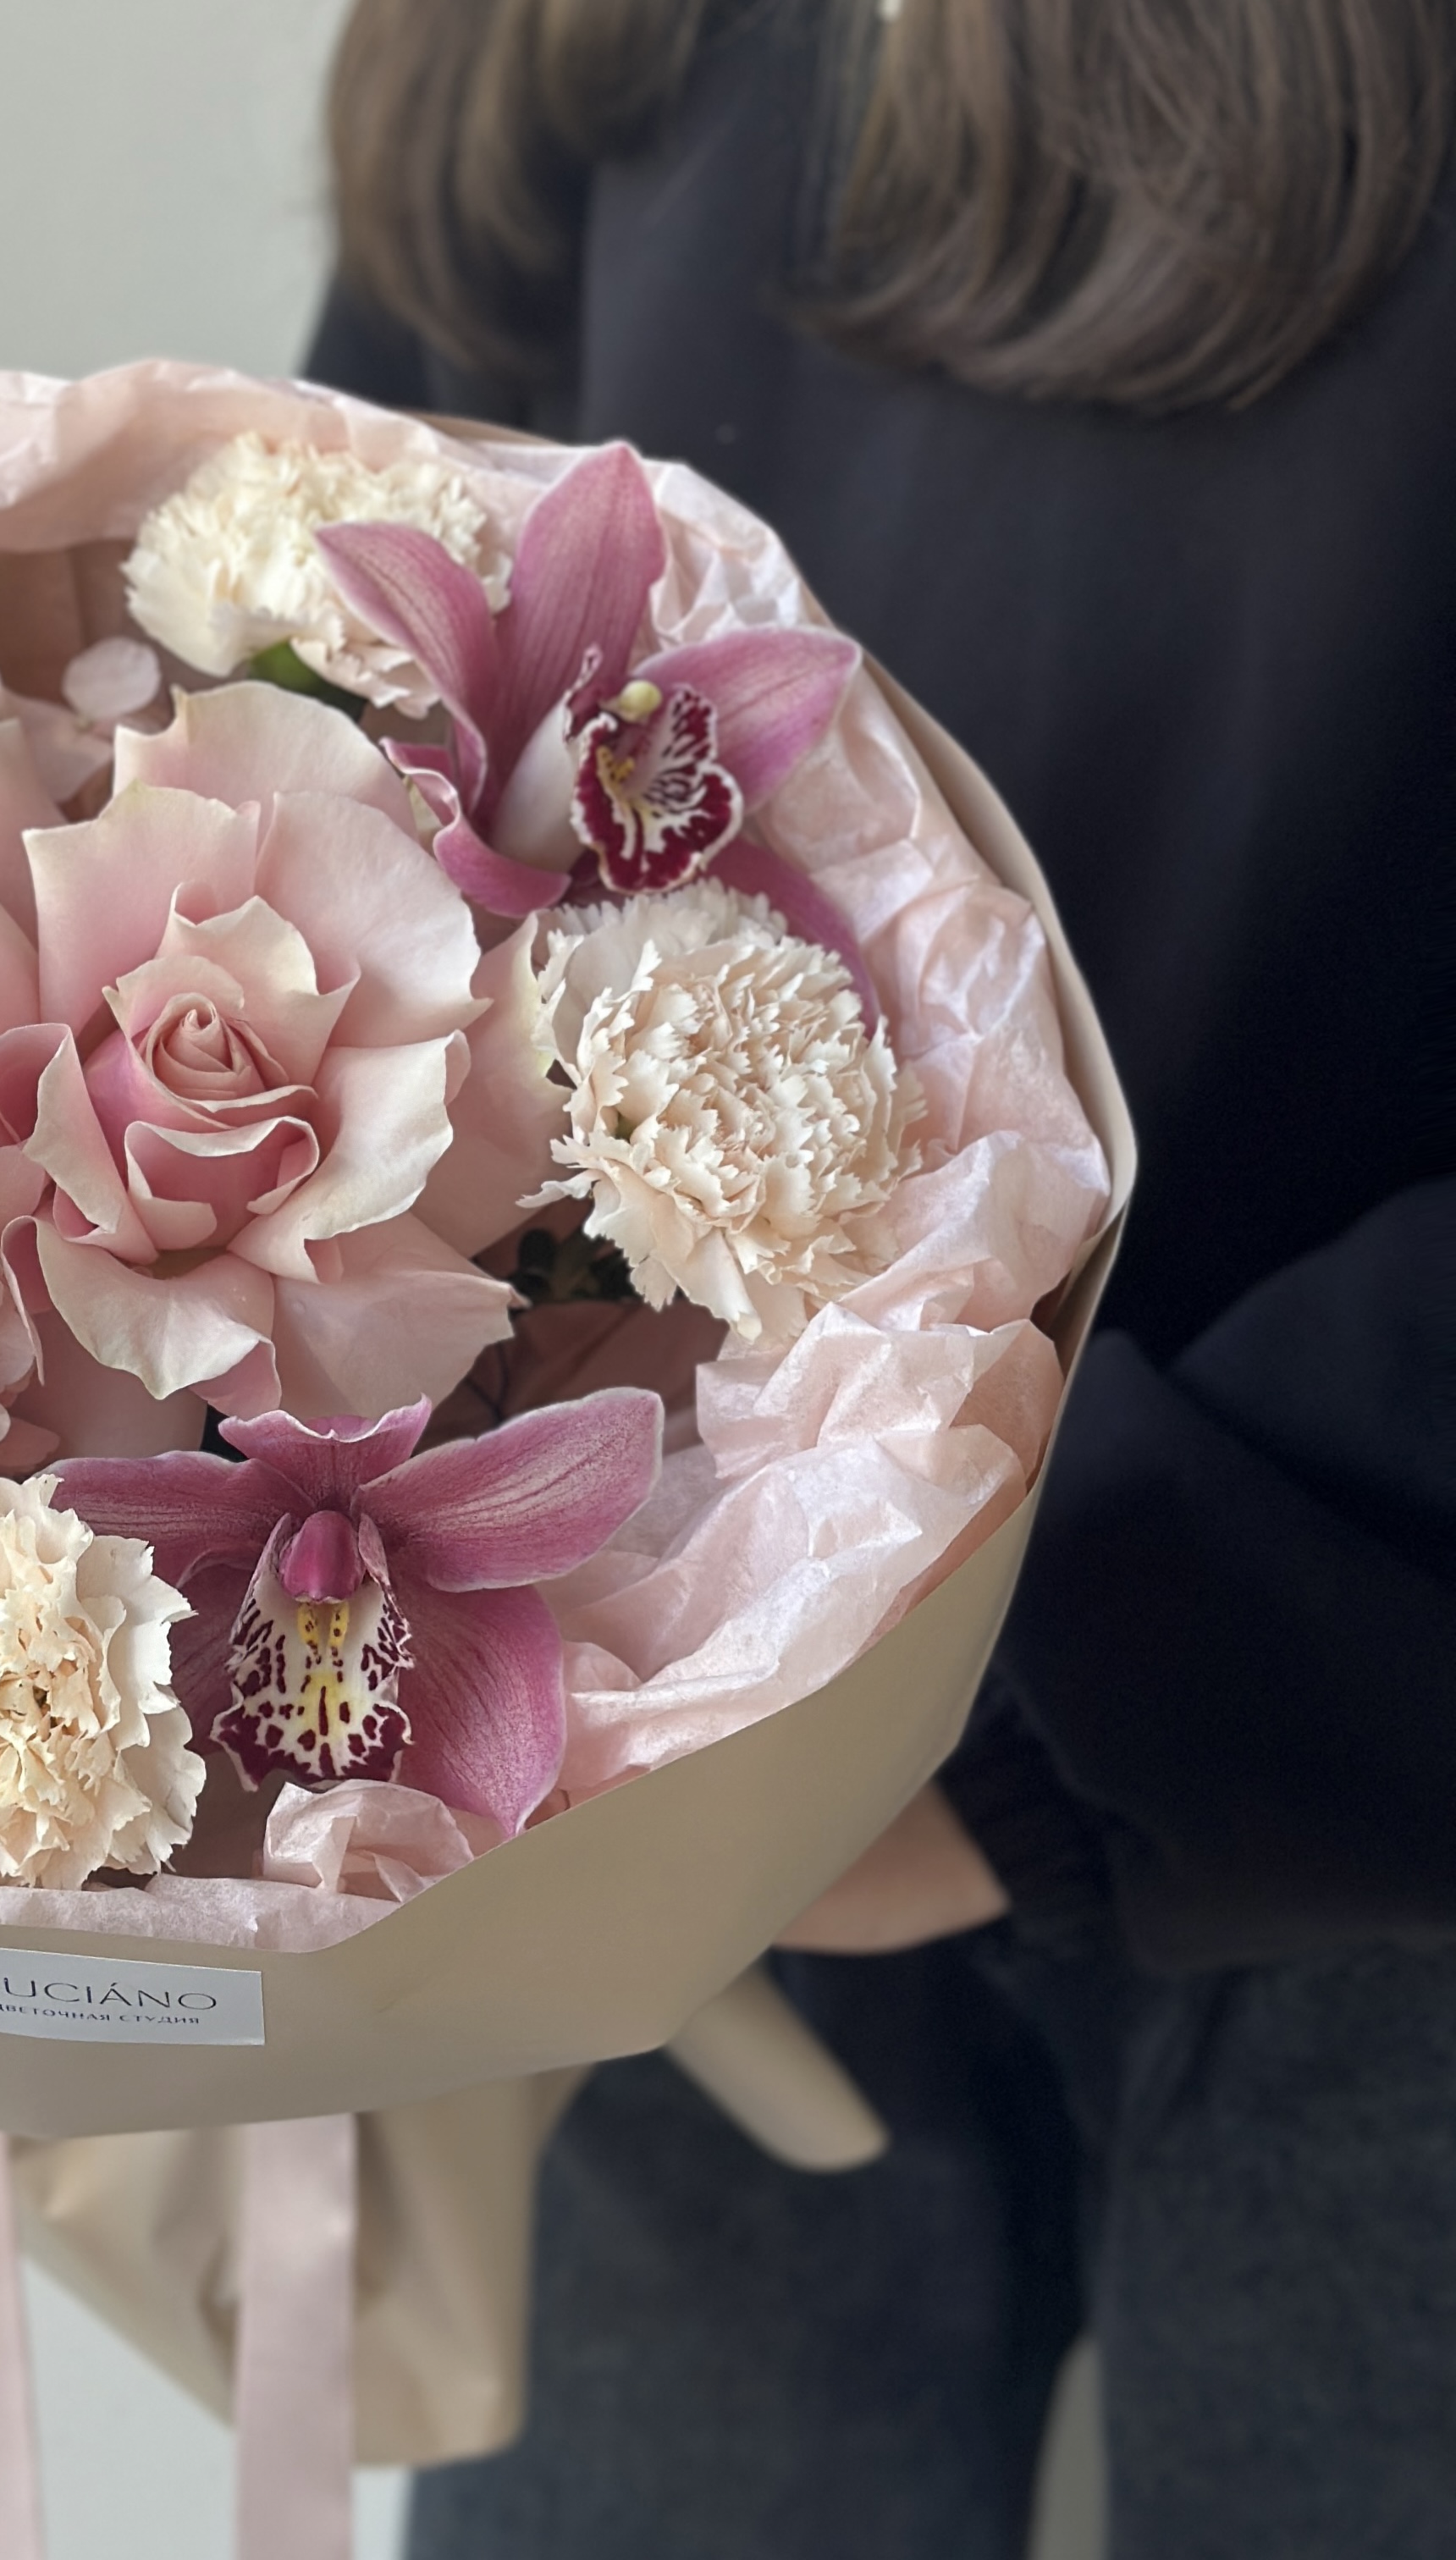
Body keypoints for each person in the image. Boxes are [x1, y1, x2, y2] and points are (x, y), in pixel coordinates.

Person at [304, 3, 1456, 2554]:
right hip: (681, 1746)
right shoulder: (572, 50)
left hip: (1345, 1756)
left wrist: (1042, 1699)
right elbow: (346, 683)